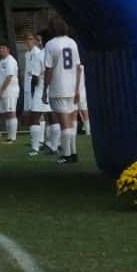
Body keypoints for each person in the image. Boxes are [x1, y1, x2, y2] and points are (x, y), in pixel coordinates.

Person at [42, 20, 82, 164]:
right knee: (71, 122)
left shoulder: (51, 44)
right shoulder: (72, 42)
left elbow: (49, 68)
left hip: (58, 87)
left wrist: (45, 89)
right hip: (72, 86)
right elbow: (78, 67)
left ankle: (66, 155)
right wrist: (77, 88)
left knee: (64, 123)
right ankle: (73, 152)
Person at [26, 31, 52, 156]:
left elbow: (36, 76)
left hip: (41, 89)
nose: (36, 41)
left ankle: (35, 148)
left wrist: (34, 84)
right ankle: (54, 145)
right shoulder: (55, 52)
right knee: (53, 119)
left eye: (37, 39)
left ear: (40, 41)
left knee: (34, 117)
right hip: (54, 90)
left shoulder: (39, 55)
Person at [0, 42, 20, 144]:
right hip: (3, 91)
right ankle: (9, 136)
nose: (1, 50)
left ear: (8, 49)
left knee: (11, 112)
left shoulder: (11, 60)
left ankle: (12, 138)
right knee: (6, 113)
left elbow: (9, 77)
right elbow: (0, 77)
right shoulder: (2, 61)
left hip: (10, 90)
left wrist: (1, 89)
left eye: (3, 48)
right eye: (0, 48)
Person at [77, 63, 91, 136]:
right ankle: (87, 131)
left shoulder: (80, 66)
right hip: (81, 91)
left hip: (79, 91)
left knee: (84, 111)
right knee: (83, 111)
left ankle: (88, 131)